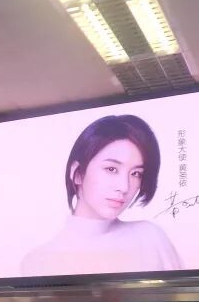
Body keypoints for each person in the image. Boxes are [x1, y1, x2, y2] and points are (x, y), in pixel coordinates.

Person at [20, 114, 182, 276]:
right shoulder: (39, 261)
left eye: (136, 174)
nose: (124, 187)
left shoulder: (150, 238)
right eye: (111, 169)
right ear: (77, 173)